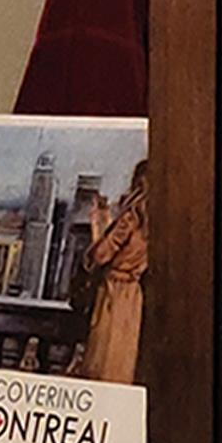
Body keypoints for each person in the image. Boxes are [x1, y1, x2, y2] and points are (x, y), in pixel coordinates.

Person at [78, 159, 148, 383]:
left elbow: (101, 256)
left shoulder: (130, 217)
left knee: (102, 363)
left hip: (113, 294)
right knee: (121, 364)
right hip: (132, 298)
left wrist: (98, 229)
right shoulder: (154, 222)